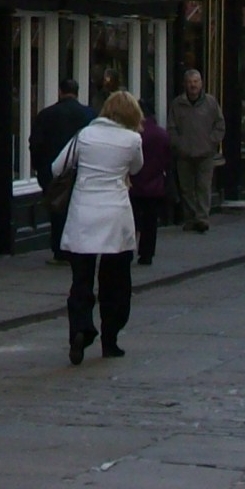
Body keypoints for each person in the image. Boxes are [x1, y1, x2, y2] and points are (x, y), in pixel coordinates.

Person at [52, 90, 146, 364]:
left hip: (84, 213)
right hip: (115, 214)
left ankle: (80, 328)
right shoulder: (132, 140)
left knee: (81, 280)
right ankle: (110, 338)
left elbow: (58, 167)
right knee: (115, 281)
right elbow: (137, 169)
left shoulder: (84, 135)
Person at [29, 78, 94, 260]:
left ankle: (60, 249)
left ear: (60, 91)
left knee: (58, 209)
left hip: (53, 171)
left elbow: (35, 143)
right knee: (79, 209)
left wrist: (39, 168)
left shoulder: (46, 115)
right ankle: (77, 246)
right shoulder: (90, 115)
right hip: (83, 170)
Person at [166, 69, 225, 232]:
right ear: (185, 84)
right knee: (187, 189)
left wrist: (211, 141)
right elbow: (171, 128)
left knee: (203, 187)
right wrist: (178, 144)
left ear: (201, 83)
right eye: (190, 82)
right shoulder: (177, 104)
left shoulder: (211, 103)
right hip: (184, 154)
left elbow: (220, 126)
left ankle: (202, 219)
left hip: (205, 154)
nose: (193, 85)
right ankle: (190, 218)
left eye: (196, 81)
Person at [129, 101, 171, 266]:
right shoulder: (162, 134)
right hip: (155, 186)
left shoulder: (134, 135)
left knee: (132, 221)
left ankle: (128, 251)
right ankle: (146, 254)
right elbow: (167, 160)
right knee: (150, 222)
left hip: (134, 185)